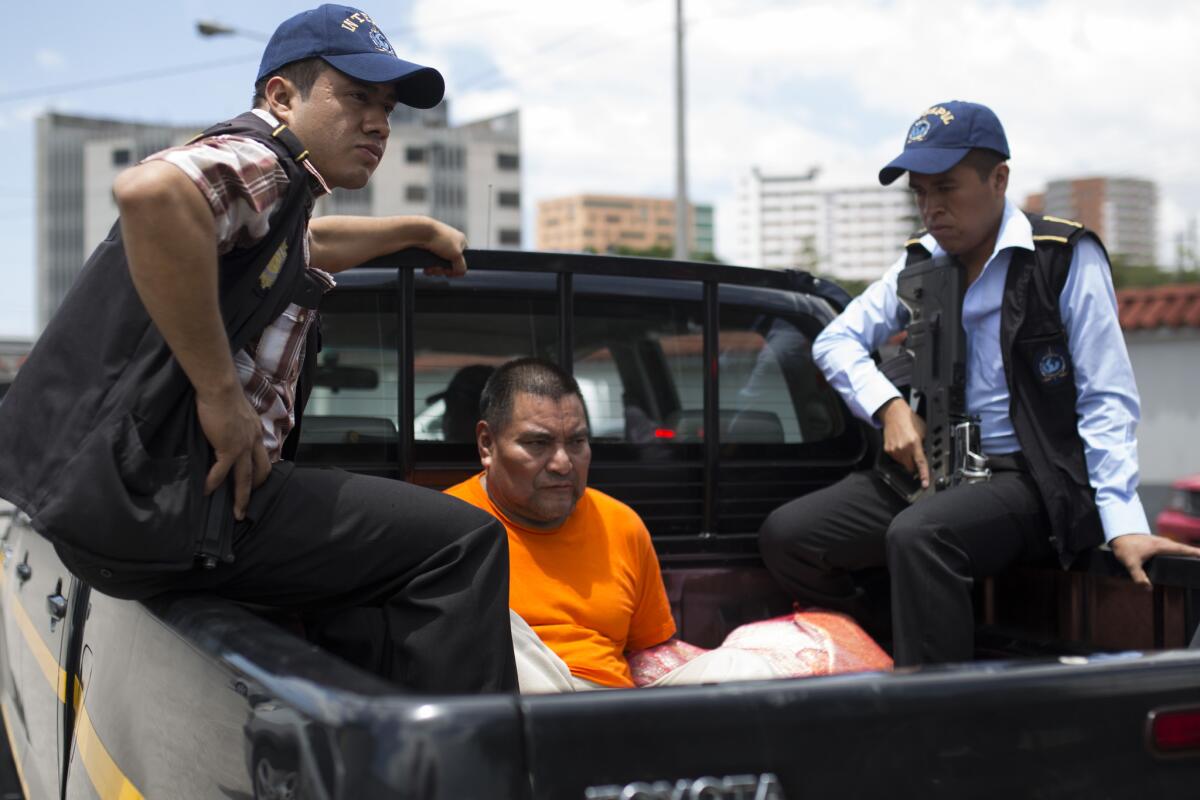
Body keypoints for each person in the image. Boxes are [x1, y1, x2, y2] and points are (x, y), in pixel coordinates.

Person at [0, 5, 515, 693]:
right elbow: (152, 193)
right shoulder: (263, 158)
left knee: (379, 567)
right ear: (280, 96)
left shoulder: (282, 202)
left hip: (134, 509)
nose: (379, 123)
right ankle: (474, 767)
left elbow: (308, 247)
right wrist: (221, 396)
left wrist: (417, 227)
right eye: (357, 96)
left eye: (387, 107)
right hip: (179, 506)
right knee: (464, 543)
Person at [757, 100, 1200, 668]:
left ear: (999, 179)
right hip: (937, 469)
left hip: (1032, 478)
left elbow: (1105, 397)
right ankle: (886, 650)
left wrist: (1123, 524)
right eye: (920, 192)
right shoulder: (922, 262)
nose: (931, 207)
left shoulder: (1063, 258)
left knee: (920, 535)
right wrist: (889, 406)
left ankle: (939, 713)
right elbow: (835, 341)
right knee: (789, 536)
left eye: (946, 187)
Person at [446, 358, 781, 692]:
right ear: (487, 444)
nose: (563, 464)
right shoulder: (447, 528)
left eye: (577, 442)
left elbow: (651, 647)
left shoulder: (621, 524)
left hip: (618, 710)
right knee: (504, 636)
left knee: (746, 668)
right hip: (522, 717)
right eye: (538, 444)